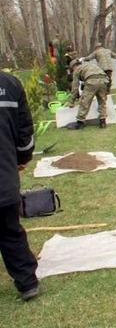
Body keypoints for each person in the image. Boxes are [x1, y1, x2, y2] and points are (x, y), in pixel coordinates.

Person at [0, 71, 40, 300]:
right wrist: (22, 158)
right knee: (9, 231)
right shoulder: (9, 84)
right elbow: (25, 130)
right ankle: (27, 283)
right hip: (4, 179)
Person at [67, 59, 110, 129]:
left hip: (92, 81)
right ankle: (103, 121)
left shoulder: (77, 70)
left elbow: (75, 87)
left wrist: (71, 102)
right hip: (104, 79)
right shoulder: (89, 65)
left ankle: (80, 122)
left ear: (73, 67)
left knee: (85, 101)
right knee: (102, 101)